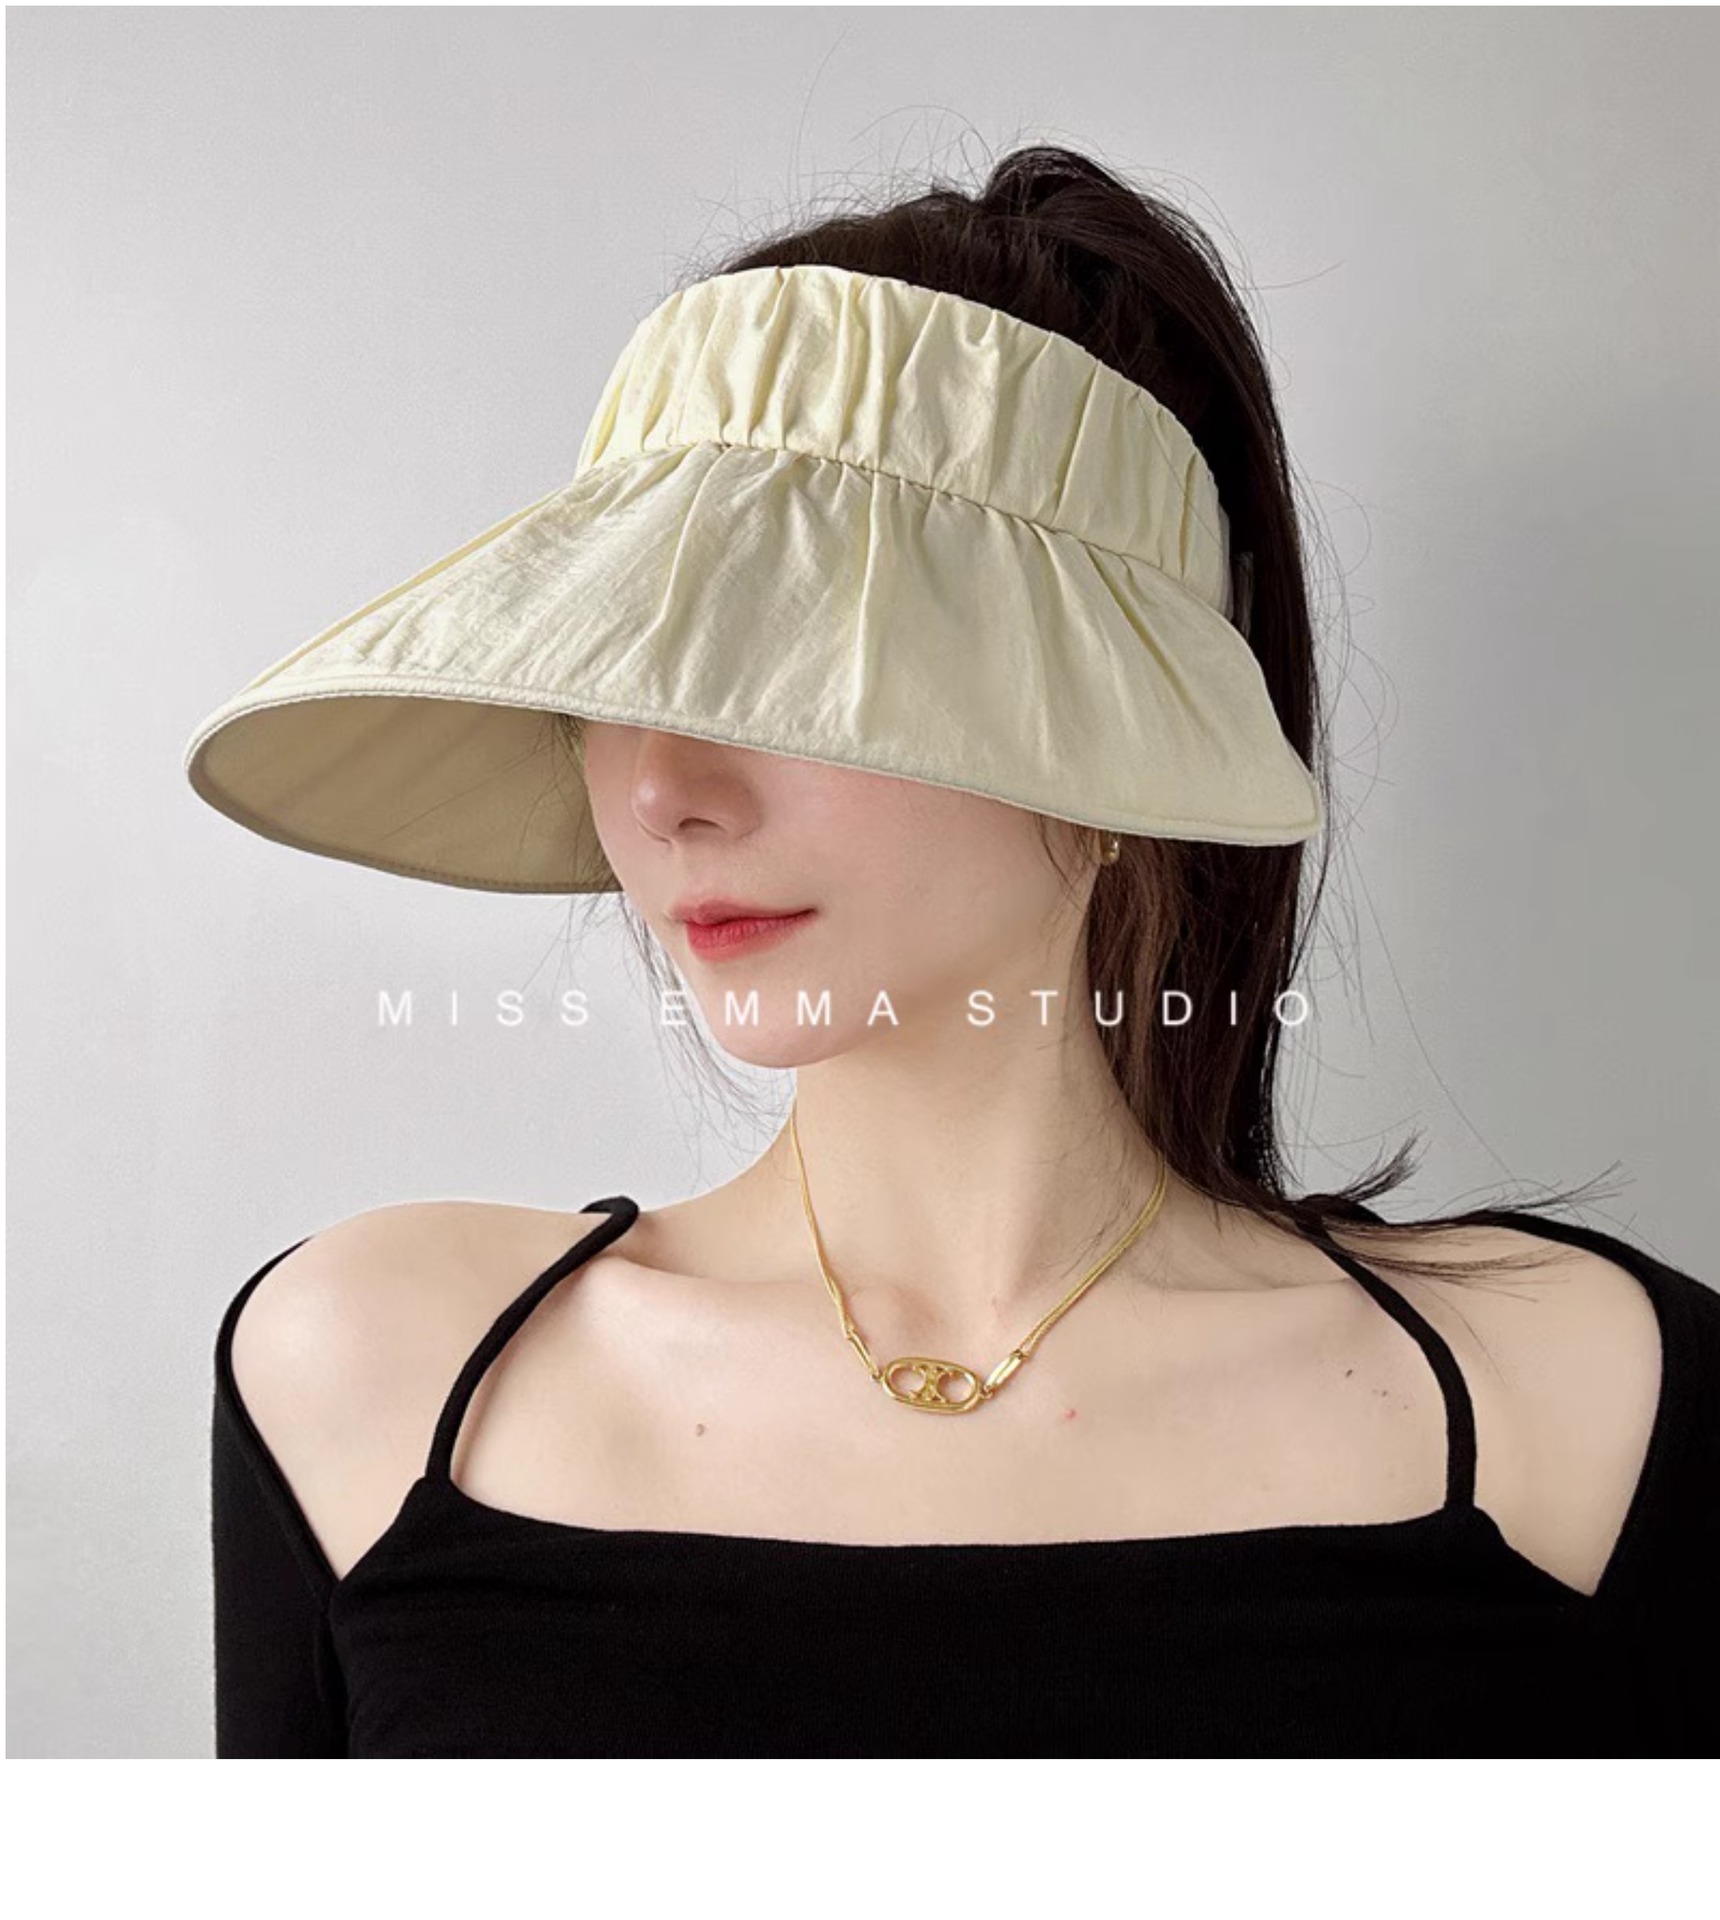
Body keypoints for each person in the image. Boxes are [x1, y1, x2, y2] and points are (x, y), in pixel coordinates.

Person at [191, 146, 1718, 1758]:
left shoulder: (1584, 1408)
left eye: (788, 657)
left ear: (1121, 733)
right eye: (623, 665)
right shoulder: (377, 1372)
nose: (660, 791)